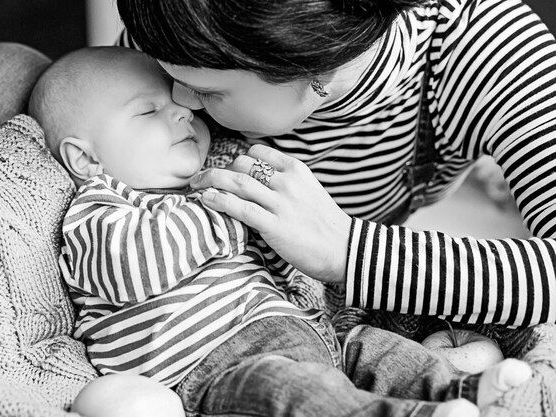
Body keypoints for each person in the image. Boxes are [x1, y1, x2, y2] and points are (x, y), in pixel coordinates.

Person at [27, 45, 531, 417]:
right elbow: (133, 269)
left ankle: (461, 394)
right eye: (149, 109)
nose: (184, 106)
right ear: (85, 158)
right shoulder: (100, 208)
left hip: (301, 332)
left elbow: (274, 270)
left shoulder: (206, 181)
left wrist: (281, 241)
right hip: (217, 371)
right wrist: (226, 213)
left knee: (381, 351)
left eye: (192, 95)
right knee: (300, 394)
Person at [112, 0, 556, 329]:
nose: (176, 99)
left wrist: (346, 250)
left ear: (317, 72)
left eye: (205, 92)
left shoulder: (482, 47)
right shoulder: (180, 28)